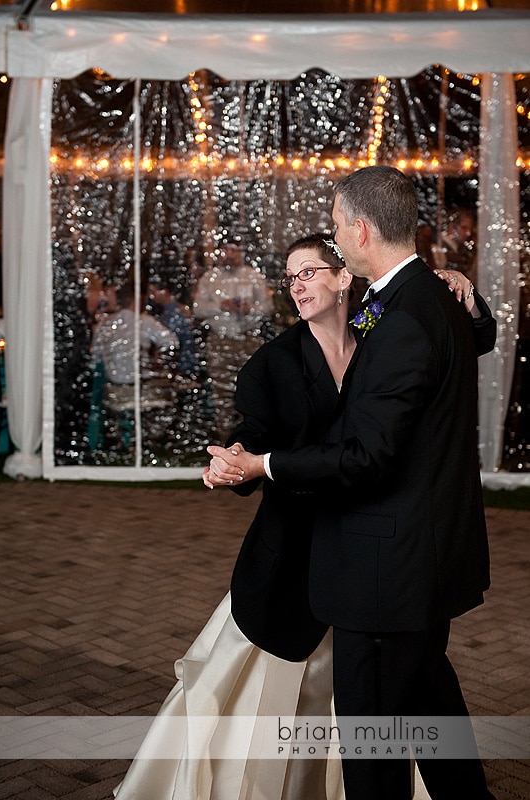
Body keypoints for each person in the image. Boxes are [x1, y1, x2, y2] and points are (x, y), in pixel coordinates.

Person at [114, 230, 495, 800]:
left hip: (381, 556)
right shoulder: (275, 363)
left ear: (345, 278)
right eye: (290, 277)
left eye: (310, 271)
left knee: (405, 687)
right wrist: (237, 462)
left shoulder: (378, 330)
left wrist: (462, 290)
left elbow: (463, 339)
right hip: (298, 557)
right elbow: (253, 436)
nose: (298, 285)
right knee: (273, 700)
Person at [207, 167, 496, 800]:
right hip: (426, 559)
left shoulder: (400, 317)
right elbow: (479, 335)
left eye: (337, 228)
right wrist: (468, 296)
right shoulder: (420, 299)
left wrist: (264, 466)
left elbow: (366, 455)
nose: (336, 239)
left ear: (360, 231)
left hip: (383, 572)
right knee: (431, 716)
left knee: (375, 755)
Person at [193, 243, 274, 443]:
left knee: (253, 389)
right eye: (226, 250)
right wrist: (220, 305)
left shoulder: (253, 276)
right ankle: (226, 442)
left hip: (248, 339)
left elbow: (268, 307)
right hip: (220, 340)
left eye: (234, 250)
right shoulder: (210, 278)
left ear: (242, 253)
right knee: (222, 393)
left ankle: (252, 441)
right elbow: (198, 308)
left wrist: (251, 308)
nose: (230, 255)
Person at [90, 282, 179, 451]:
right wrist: (155, 358)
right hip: (139, 388)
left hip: (113, 390)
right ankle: (152, 440)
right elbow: (172, 342)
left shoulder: (105, 324)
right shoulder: (144, 322)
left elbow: (96, 355)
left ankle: (124, 439)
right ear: (136, 300)